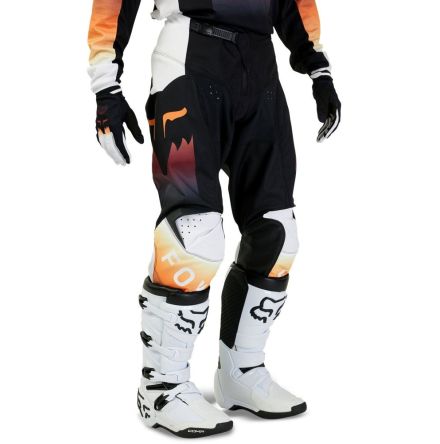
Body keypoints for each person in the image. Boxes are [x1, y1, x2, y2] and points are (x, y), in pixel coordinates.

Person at [88, 0, 341, 438]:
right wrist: (105, 87)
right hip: (190, 60)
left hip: (260, 67)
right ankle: (161, 388)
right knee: (193, 236)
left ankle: (241, 371)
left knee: (278, 234)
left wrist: (318, 68)